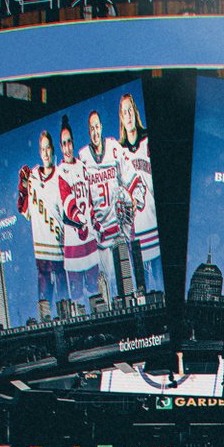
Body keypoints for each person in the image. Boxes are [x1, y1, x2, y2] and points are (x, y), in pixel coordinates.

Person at [17, 130, 73, 318]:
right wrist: (23, 189)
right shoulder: (32, 177)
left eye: (48, 148)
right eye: (42, 149)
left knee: (64, 303)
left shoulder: (60, 177)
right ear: (40, 153)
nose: (46, 153)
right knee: (45, 305)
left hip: (59, 251)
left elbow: (70, 211)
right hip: (41, 253)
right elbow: (25, 211)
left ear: (52, 150)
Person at [78, 109, 131, 303]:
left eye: (97, 127)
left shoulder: (114, 148)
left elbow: (126, 179)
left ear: (101, 127)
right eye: (91, 128)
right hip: (101, 232)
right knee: (107, 284)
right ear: (88, 131)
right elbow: (82, 197)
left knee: (126, 279)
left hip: (118, 227)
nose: (94, 132)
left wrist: (127, 207)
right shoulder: (83, 157)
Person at [117, 92, 163, 292]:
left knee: (162, 288)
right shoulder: (118, 152)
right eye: (124, 112)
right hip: (134, 236)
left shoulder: (149, 140)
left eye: (130, 110)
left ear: (135, 112)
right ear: (121, 117)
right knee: (142, 293)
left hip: (155, 228)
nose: (127, 115)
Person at [56, 114, 96, 307]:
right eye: (63, 144)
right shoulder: (60, 171)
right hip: (73, 245)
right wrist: (80, 219)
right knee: (77, 301)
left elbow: (89, 199)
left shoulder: (82, 166)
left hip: (89, 241)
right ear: (60, 147)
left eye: (69, 142)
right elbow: (67, 201)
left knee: (97, 294)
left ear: (73, 142)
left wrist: (94, 221)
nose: (67, 147)